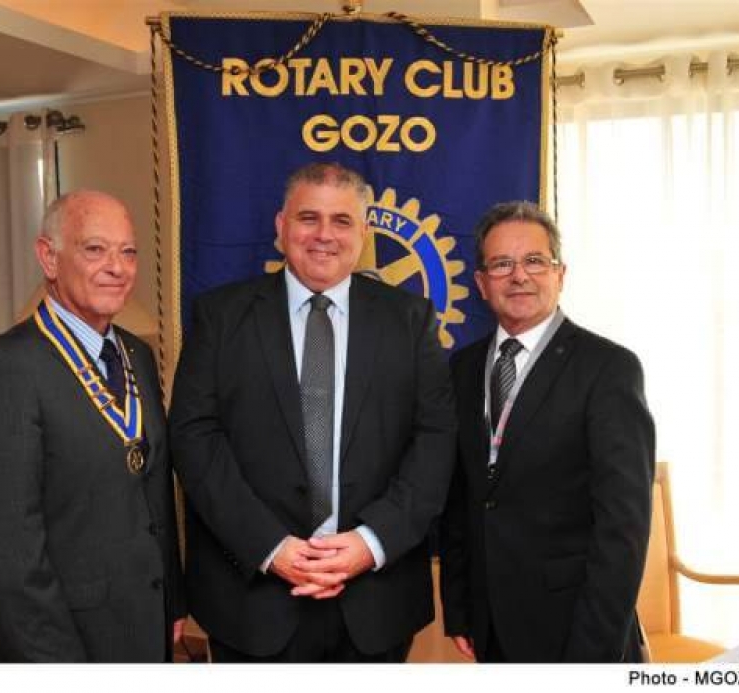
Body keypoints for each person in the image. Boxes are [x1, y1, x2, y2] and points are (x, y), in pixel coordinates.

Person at [169, 162, 456, 662]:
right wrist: (270, 546)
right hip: (252, 601)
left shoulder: (409, 321)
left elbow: (435, 443)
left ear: (364, 232)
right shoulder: (219, 316)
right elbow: (195, 439)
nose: (324, 235)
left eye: (342, 221)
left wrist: (371, 541)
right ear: (281, 227)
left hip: (376, 602)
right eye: (308, 218)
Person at [0, 190, 186, 662]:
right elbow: (7, 555)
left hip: (145, 626)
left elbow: (153, 490)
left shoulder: (136, 356)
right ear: (49, 257)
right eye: (95, 249)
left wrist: (171, 602)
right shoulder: (5, 370)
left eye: (128, 251)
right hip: (63, 642)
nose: (117, 267)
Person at [439, 201, 654, 663]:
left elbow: (624, 528)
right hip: (490, 622)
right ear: (480, 283)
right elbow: (462, 496)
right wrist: (459, 607)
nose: (519, 276)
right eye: (502, 264)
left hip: (577, 629)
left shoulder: (609, 369)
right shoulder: (462, 367)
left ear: (560, 274)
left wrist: (592, 650)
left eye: (535, 260)